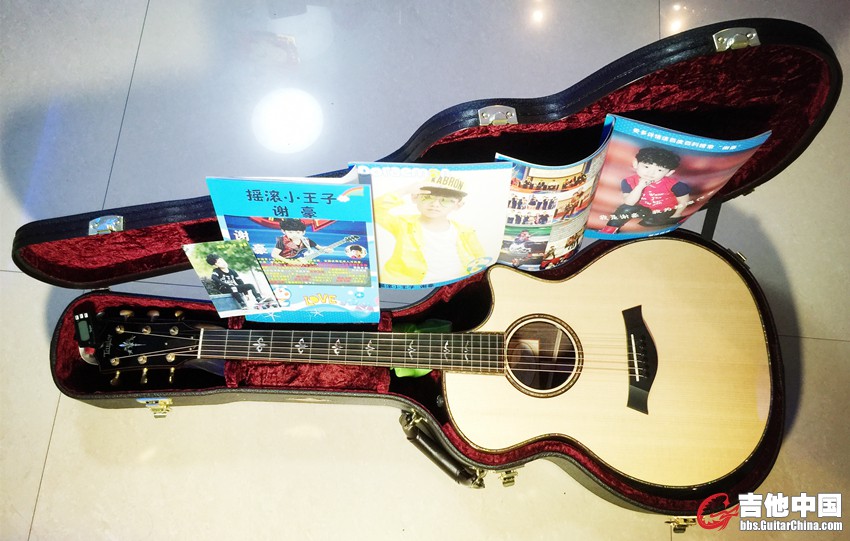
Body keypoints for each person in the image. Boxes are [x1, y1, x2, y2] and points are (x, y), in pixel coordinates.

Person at [374, 176, 485, 286]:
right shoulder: (403, 224)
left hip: (453, 285)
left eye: (446, 200)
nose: (435, 204)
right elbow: (373, 210)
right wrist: (405, 190)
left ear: (458, 205)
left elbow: (480, 260)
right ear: (415, 198)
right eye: (427, 197)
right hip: (410, 285)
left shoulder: (465, 231)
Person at [599, 147, 690, 234]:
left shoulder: (676, 185)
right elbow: (629, 203)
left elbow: (683, 201)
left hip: (664, 211)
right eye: (646, 167)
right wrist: (640, 186)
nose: (651, 173)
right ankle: (610, 228)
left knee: (648, 223)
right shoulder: (628, 181)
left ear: (669, 172)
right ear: (636, 163)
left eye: (659, 170)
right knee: (625, 209)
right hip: (644, 209)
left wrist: (677, 214)